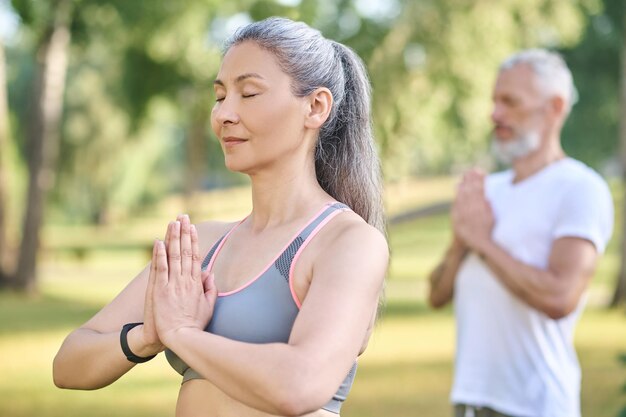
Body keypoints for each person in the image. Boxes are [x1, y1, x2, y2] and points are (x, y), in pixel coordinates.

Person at [53, 17, 388, 417]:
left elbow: (300, 385)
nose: (224, 114)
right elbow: (68, 363)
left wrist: (181, 333)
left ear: (315, 107)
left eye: (248, 93)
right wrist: (146, 336)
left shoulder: (347, 242)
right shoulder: (202, 246)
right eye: (220, 95)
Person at [428, 49, 614, 417]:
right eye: (495, 101)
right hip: (468, 402)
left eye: (510, 102)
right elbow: (436, 295)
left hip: (534, 406)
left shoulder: (580, 188)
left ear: (554, 108)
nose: (495, 114)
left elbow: (560, 297)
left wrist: (482, 242)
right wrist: (459, 241)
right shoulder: (488, 191)